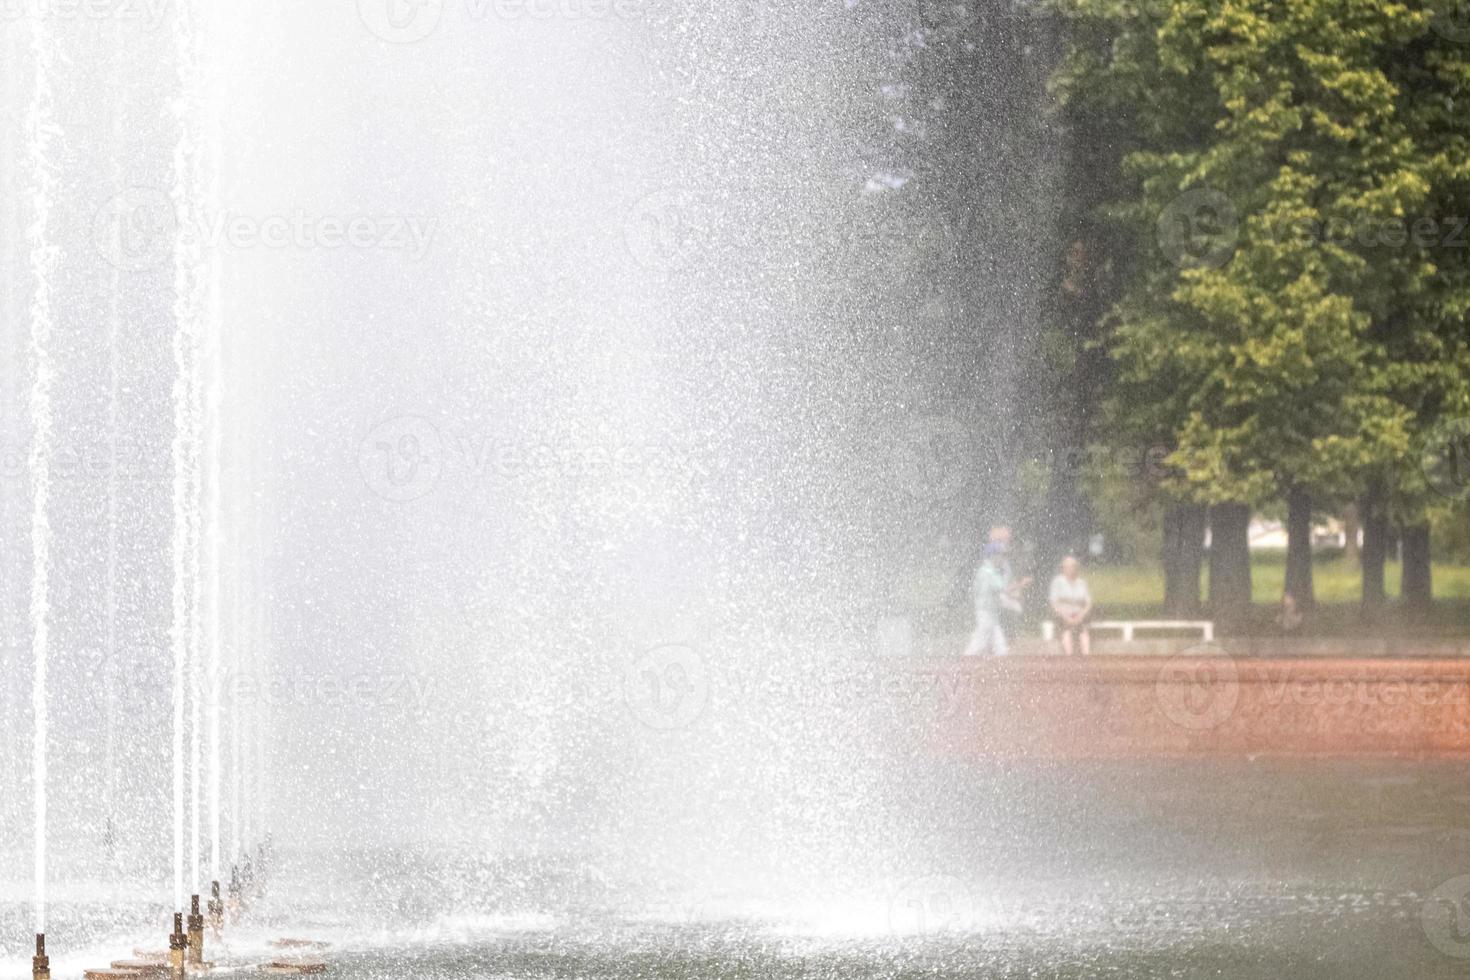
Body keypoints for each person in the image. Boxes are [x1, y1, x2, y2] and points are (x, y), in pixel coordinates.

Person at [963, 540, 1027, 656]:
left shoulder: (988, 570)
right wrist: (1021, 584)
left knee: (999, 645)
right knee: (980, 642)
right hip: (985, 612)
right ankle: (965, 661)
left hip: (990, 612)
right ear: (993, 556)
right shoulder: (988, 572)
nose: (1004, 558)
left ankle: (995, 661)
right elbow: (1003, 588)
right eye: (1002, 555)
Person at [1048, 555, 1093, 656]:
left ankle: (1087, 657)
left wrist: (1081, 615)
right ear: (1063, 568)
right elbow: (1054, 603)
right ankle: (1069, 658)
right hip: (1063, 615)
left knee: (1083, 633)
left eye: (1073, 566)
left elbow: (1088, 603)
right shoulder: (1057, 582)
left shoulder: (1082, 583)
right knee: (1066, 631)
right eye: (1067, 567)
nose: (1070, 569)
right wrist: (1066, 617)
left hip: (1079, 616)